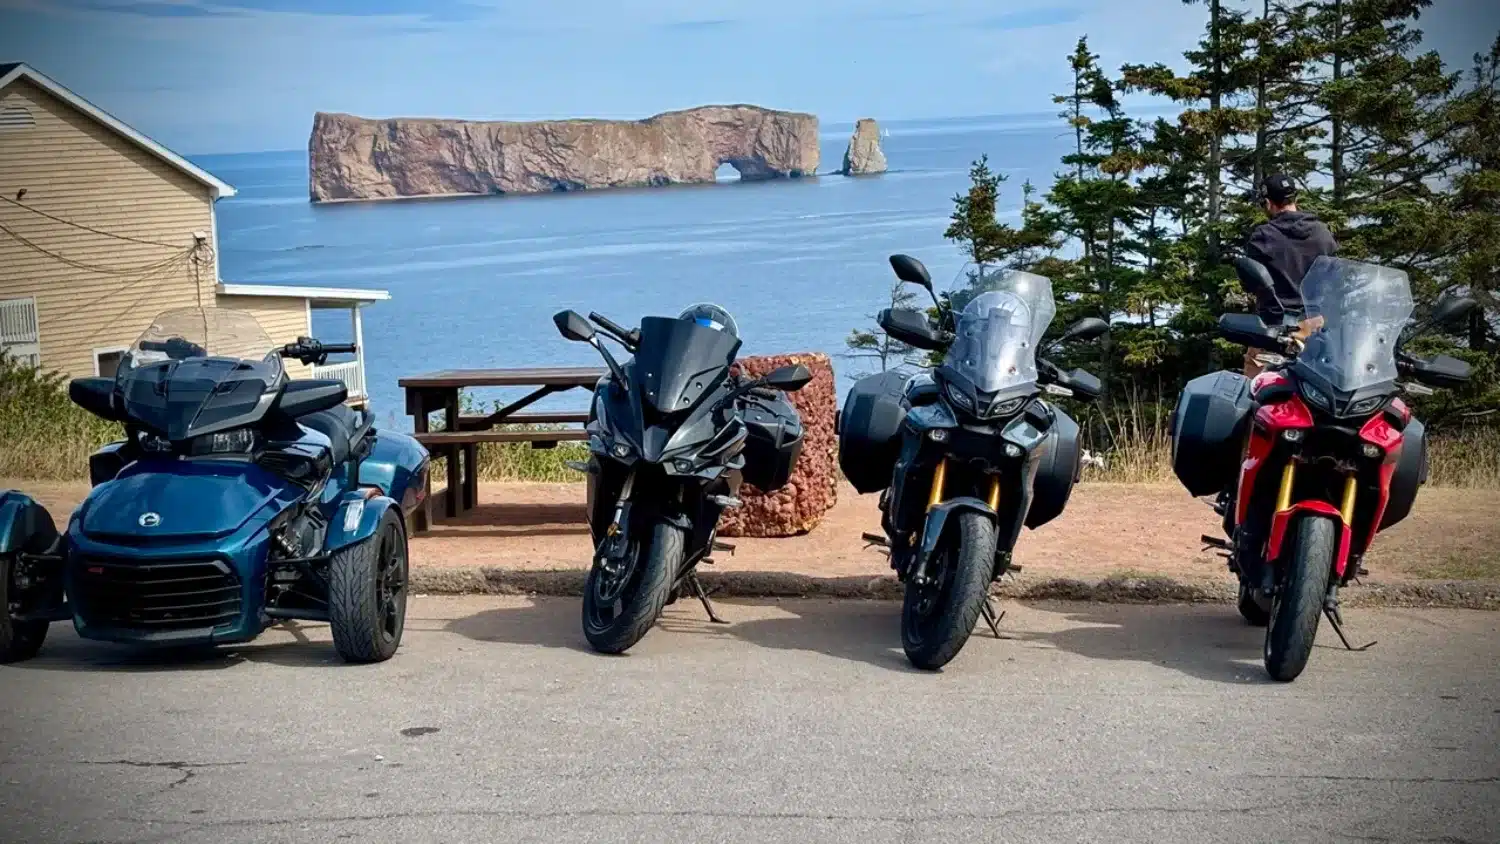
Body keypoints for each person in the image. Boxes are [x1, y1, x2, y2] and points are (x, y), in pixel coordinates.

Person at [1240, 173, 1336, 377]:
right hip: (1317, 328)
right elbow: (1334, 278)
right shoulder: (1322, 233)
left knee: (1254, 390)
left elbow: (1250, 284)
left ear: (1267, 202)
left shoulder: (1263, 236)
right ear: (1295, 199)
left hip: (1274, 330)